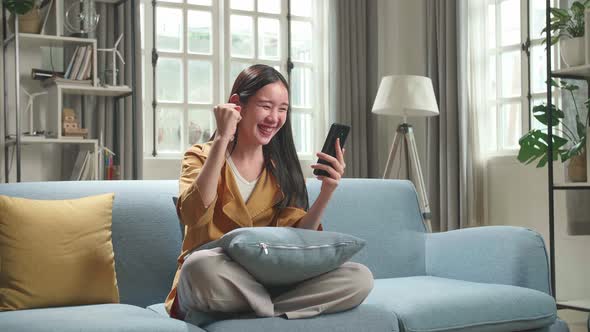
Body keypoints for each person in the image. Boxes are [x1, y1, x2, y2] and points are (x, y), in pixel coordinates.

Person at [165, 64, 373, 320]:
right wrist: (221, 139)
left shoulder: (281, 168)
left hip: (268, 281)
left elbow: (298, 243)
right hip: (218, 276)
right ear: (236, 104)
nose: (274, 118)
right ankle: (278, 308)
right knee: (198, 266)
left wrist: (327, 191)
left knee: (358, 277)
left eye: (282, 109)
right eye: (265, 106)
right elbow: (192, 215)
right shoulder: (200, 156)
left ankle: (259, 311)